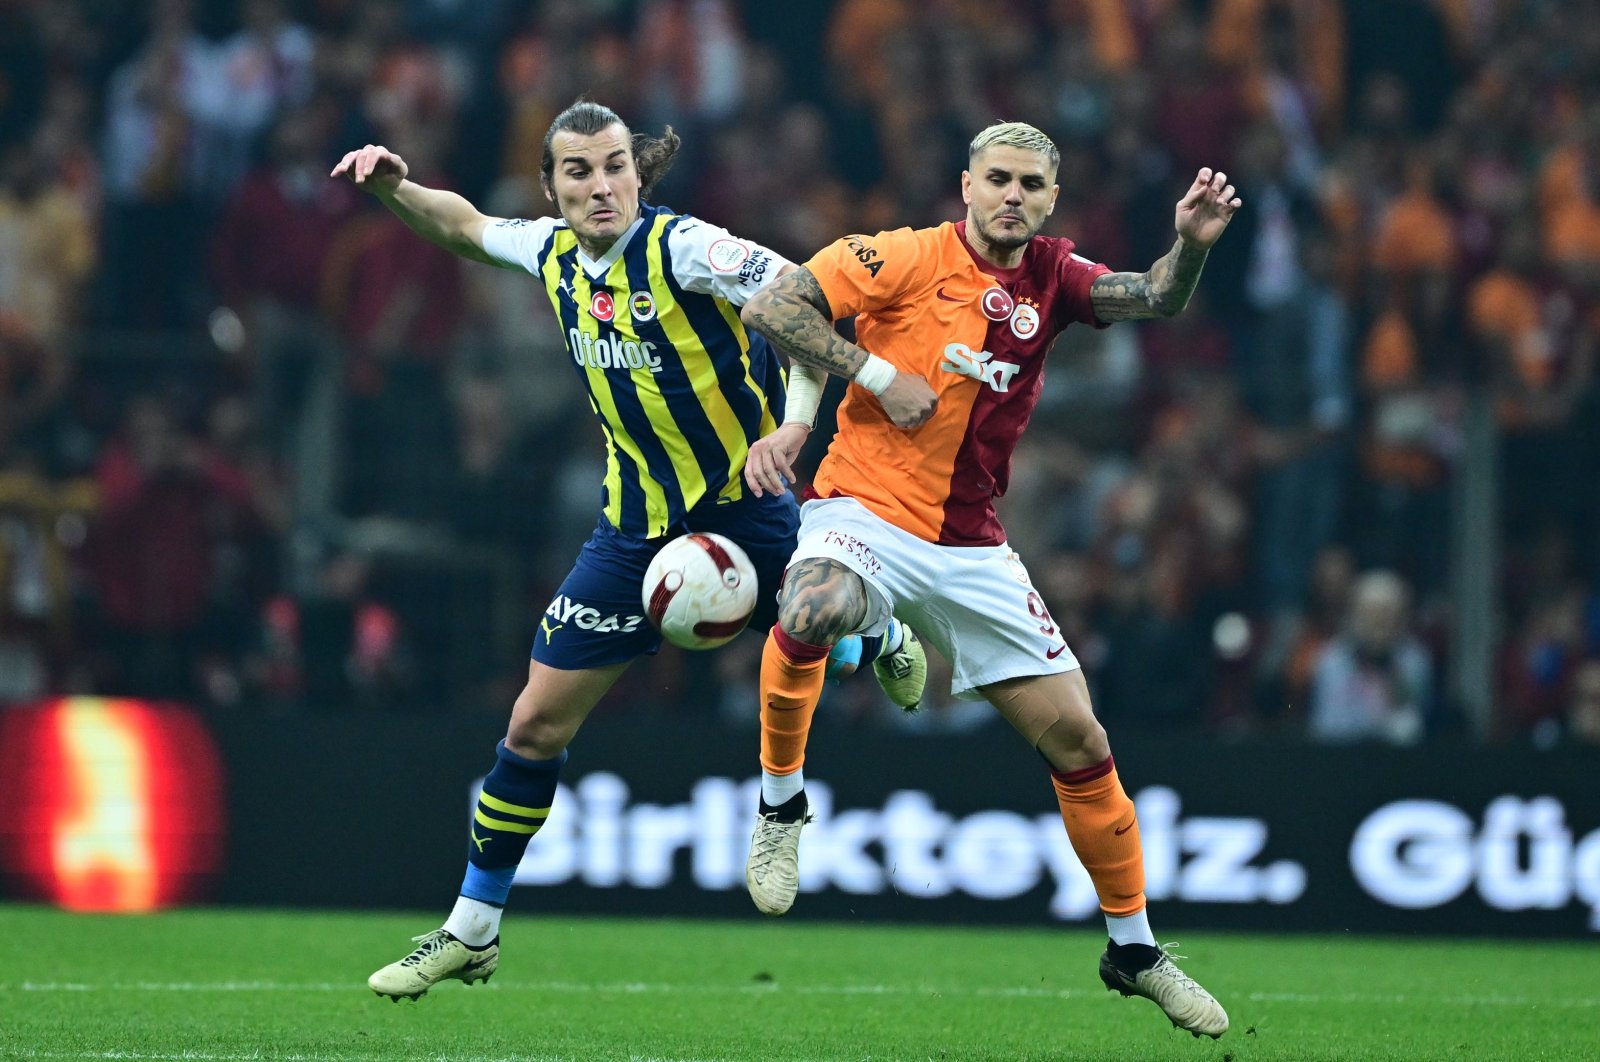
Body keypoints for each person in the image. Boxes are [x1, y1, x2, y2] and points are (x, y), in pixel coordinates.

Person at [334, 100, 928, 1000]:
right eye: (578, 171)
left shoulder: (688, 250)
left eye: (614, 166)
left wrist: (797, 429)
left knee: (819, 620)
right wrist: (395, 188)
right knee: (533, 726)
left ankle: (847, 686)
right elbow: (462, 225)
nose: (600, 185)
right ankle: (472, 931)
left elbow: (810, 306)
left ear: (638, 175)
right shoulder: (552, 255)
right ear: (553, 187)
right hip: (632, 532)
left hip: (749, 505)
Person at [736, 121, 1239, 1038]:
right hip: (863, 511)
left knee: (1081, 744)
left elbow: (1159, 298)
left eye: (1031, 184)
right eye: (997, 178)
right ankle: (780, 803)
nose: (1013, 195)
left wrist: (1189, 247)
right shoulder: (897, 255)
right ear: (965, 185)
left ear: (1052, 197)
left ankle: (1134, 951)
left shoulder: (1053, 276)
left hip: (972, 546)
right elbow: (774, 308)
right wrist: (876, 372)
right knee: (811, 606)